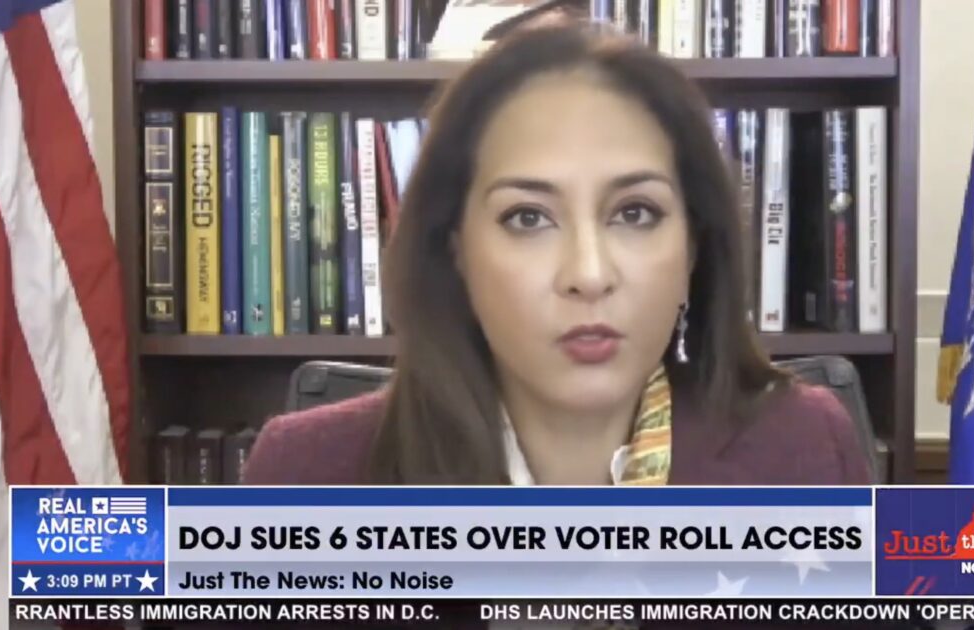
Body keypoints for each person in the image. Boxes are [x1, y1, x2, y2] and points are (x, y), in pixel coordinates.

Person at [243, 22, 873, 489]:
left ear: (693, 248)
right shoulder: (304, 474)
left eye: (635, 213)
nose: (589, 275)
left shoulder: (807, 450)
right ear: (455, 250)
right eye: (528, 217)